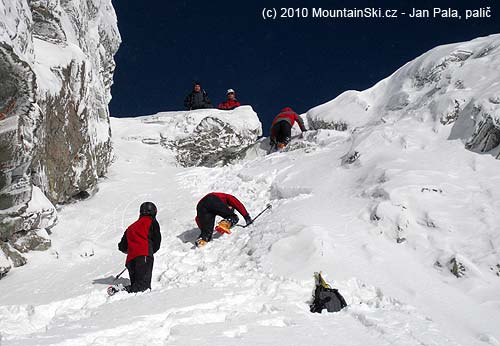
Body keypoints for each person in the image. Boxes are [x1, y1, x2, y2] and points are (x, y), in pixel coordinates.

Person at [118, 202, 161, 293]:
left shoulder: (130, 227)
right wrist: (150, 251)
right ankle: (122, 290)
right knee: (143, 288)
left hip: (131, 260)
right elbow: (157, 241)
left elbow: (122, 246)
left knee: (136, 287)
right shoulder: (152, 222)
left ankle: (121, 291)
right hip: (144, 256)